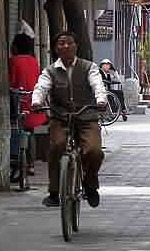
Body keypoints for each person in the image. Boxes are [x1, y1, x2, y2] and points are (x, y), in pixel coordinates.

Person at [31, 31, 107, 208]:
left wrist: (101, 100)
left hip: (87, 117)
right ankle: (54, 191)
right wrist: (36, 101)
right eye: (61, 43)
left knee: (94, 151)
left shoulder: (89, 67)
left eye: (69, 43)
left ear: (76, 46)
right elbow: (41, 87)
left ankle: (90, 183)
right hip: (61, 117)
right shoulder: (50, 71)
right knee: (56, 147)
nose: (66, 46)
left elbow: (97, 84)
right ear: (56, 49)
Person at [8, 33, 41, 179]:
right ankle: (31, 165)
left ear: (15, 47)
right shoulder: (34, 61)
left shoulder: (13, 61)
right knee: (31, 132)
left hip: (17, 102)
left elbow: (11, 82)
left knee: (15, 131)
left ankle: (16, 163)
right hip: (33, 101)